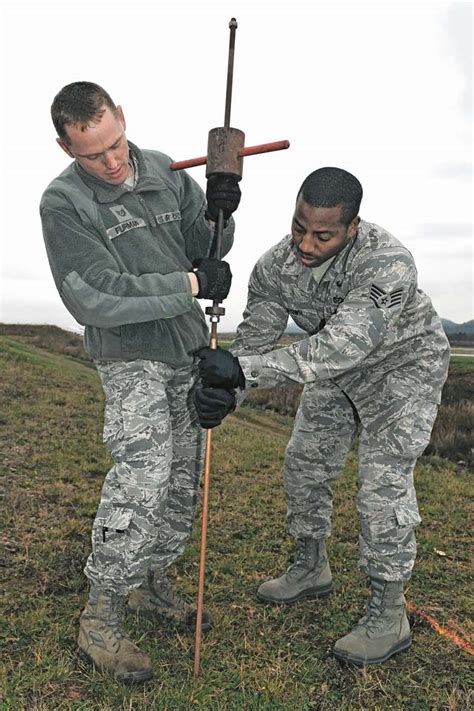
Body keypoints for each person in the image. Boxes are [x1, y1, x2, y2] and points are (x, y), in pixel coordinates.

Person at [195, 167, 450, 666]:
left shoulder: (388, 262)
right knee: (305, 463)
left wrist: (242, 371)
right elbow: (255, 342)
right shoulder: (274, 269)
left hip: (403, 368)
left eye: (323, 234)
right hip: (336, 375)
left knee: (382, 483)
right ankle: (311, 566)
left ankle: (389, 612)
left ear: (352, 227)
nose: (306, 245)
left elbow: (342, 346)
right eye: (298, 227)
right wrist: (228, 394)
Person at [40, 81, 241, 683]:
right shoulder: (63, 203)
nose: (111, 161)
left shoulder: (162, 170)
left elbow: (208, 253)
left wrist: (220, 209)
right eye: (92, 154)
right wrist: (187, 286)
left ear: (123, 118)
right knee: (144, 475)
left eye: (115, 142)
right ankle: (100, 617)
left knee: (184, 477)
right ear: (64, 146)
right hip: (130, 356)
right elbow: (94, 296)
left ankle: (153, 583)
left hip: (186, 348)